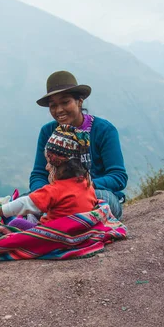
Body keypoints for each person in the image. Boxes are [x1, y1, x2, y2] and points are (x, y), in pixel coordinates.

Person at [29, 70, 127, 219]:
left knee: (104, 201)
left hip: (95, 193)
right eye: (53, 105)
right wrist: (46, 194)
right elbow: (38, 175)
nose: (59, 110)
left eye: (65, 102)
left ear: (79, 101)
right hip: (56, 195)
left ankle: (51, 225)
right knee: (21, 202)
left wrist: (81, 187)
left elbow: (118, 176)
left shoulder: (104, 130)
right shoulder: (47, 132)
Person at [0, 124, 98, 228]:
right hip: (77, 231)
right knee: (33, 215)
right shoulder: (87, 185)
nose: (47, 168)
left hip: (54, 234)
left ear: (60, 166)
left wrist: (0, 210)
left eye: (50, 163)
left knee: (15, 222)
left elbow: (27, 203)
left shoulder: (55, 191)